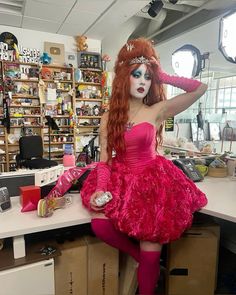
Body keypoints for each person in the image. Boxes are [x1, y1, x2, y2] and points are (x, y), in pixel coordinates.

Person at [46, 38, 208, 294]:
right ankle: (143, 259)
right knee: (99, 225)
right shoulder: (108, 117)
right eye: (137, 75)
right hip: (120, 178)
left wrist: (163, 75)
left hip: (152, 181)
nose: (143, 81)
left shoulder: (158, 109)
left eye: (147, 76)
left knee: (151, 244)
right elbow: (104, 161)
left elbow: (200, 88)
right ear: (124, 78)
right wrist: (99, 189)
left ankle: (148, 271)